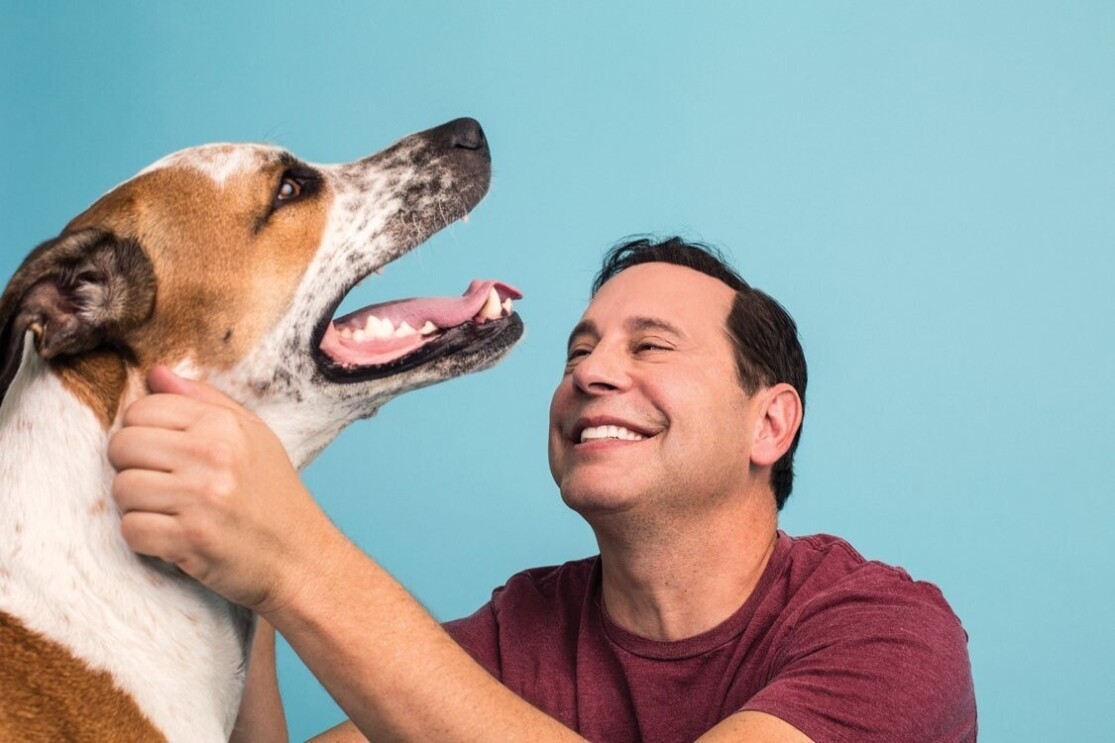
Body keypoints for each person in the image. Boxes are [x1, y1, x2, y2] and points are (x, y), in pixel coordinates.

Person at [109, 237, 977, 742]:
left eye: (650, 347)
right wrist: (243, 586)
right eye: (578, 350)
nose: (590, 372)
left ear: (770, 424)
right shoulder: (518, 635)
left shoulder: (887, 637)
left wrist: (294, 559)